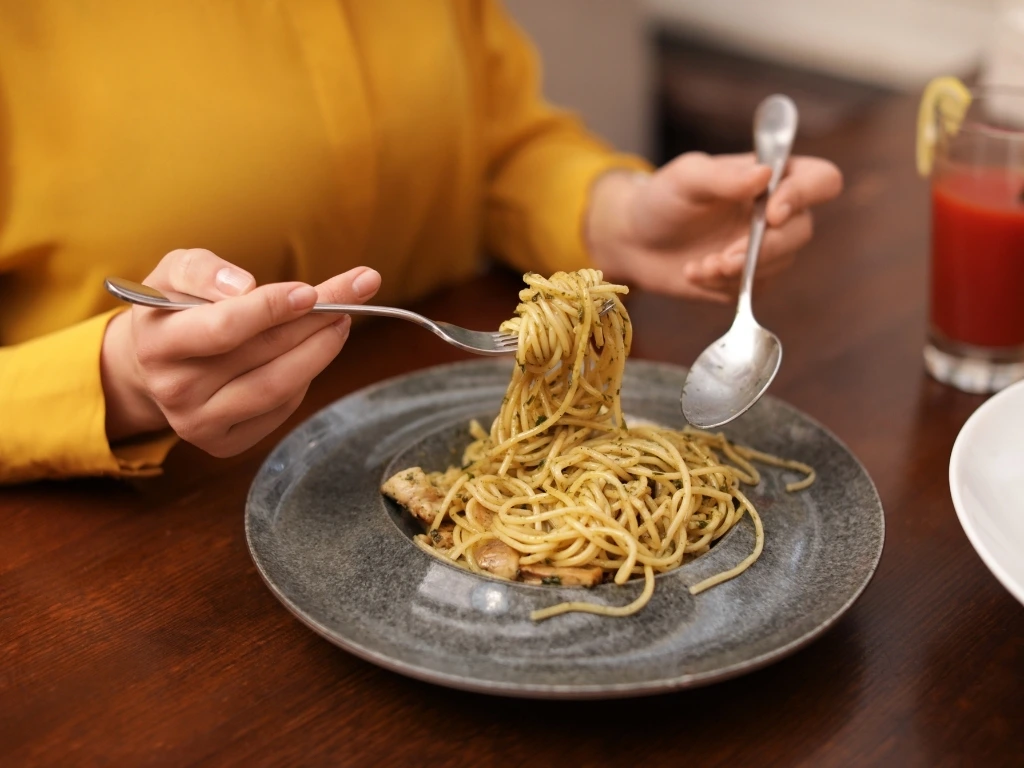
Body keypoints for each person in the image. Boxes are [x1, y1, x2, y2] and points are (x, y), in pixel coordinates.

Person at [0, 1, 841, 484]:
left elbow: (492, 142)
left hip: (412, 423)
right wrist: (115, 380)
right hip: (125, 552)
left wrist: (611, 211)